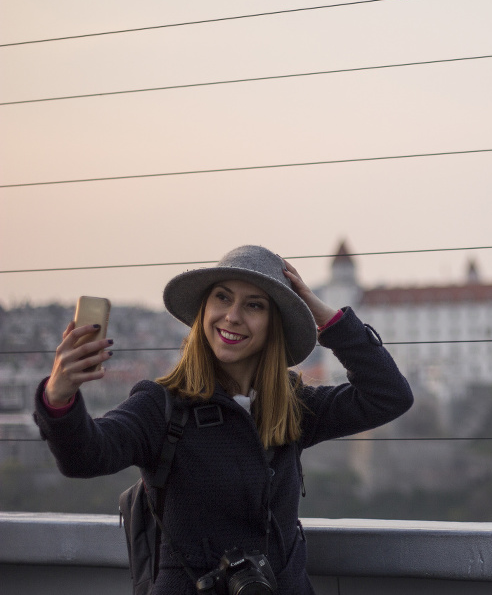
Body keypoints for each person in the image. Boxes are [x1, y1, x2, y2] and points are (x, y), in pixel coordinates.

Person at [33, 245, 414, 594]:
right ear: (204, 311)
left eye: (254, 305)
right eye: (222, 297)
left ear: (274, 324)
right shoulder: (162, 406)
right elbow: (85, 456)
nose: (232, 316)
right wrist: (59, 395)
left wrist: (323, 311)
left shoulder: (289, 406)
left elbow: (389, 394)